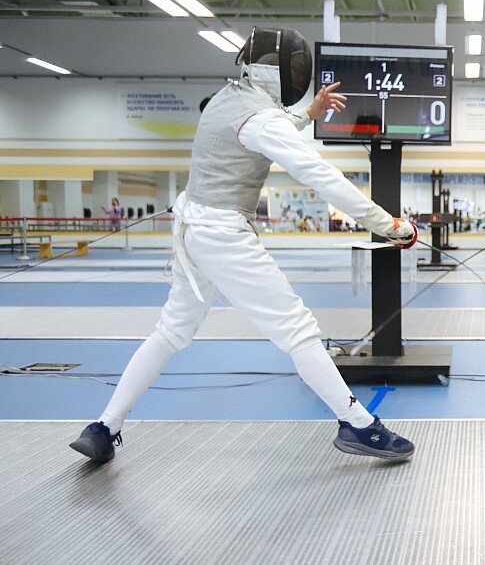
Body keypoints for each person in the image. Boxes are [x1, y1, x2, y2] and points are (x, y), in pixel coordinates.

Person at [70, 27, 419, 465]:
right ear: (276, 70)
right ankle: (359, 426)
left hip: (190, 230)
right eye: (293, 67)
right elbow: (319, 175)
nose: (298, 73)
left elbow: (261, 129)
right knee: (299, 330)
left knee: (171, 332)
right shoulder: (262, 119)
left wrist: (308, 113)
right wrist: (388, 225)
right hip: (222, 235)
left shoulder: (227, 98)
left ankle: (103, 428)